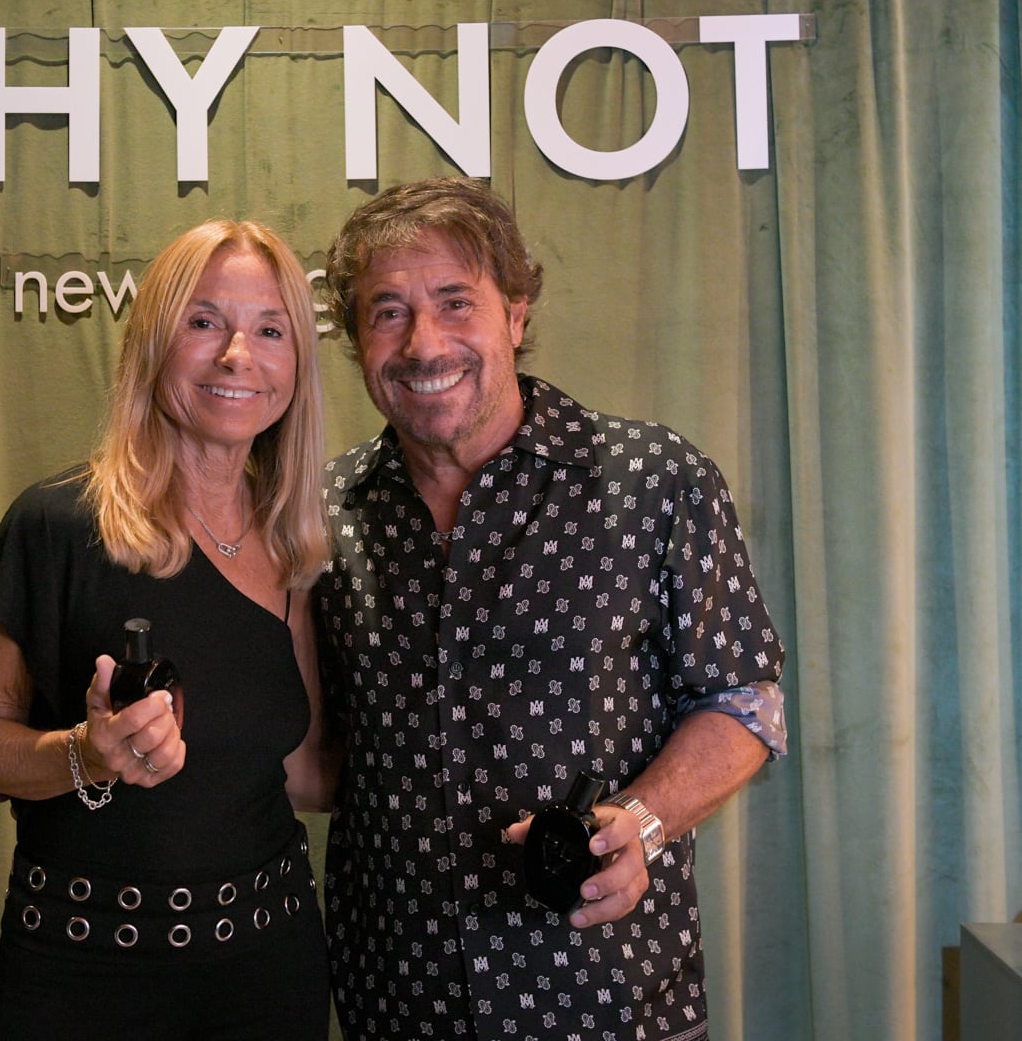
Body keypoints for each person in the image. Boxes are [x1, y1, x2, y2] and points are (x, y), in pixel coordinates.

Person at [315, 178, 788, 1040]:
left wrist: (640, 821)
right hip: (396, 994)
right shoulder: (323, 510)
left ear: (517, 314)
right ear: (355, 339)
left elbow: (745, 702)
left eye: (456, 302)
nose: (424, 343)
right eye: (388, 312)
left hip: (610, 994)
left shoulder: (654, 480)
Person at [0, 219, 337, 1039]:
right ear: (153, 342)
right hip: (85, 975)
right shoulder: (55, 525)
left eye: (270, 330)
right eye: (204, 322)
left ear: (298, 362)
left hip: (269, 967)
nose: (238, 355)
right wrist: (85, 756)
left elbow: (302, 775)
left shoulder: (298, 546)